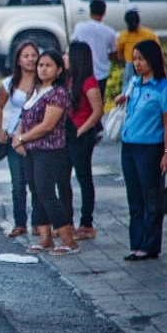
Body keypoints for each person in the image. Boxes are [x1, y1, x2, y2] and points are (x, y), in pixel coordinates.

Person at [114, 39, 167, 261]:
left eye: (141, 59)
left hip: (151, 148)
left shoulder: (164, 88)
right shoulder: (133, 83)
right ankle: (136, 242)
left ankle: (150, 245)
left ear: (153, 59)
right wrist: (121, 98)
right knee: (134, 197)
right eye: (135, 59)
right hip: (129, 145)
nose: (137, 64)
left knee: (151, 196)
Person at [12, 50, 79, 254]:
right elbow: (24, 117)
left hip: (49, 150)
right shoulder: (36, 89)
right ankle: (45, 238)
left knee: (47, 193)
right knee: (37, 194)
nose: (42, 69)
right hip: (30, 150)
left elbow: (48, 125)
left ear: (59, 70)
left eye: (48, 65)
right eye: (41, 65)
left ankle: (68, 240)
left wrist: (22, 138)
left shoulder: (58, 93)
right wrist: (19, 137)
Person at [0, 42, 39, 238]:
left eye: (33, 55)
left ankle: (39, 223)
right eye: (26, 55)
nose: (30, 59)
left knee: (37, 182)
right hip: (14, 138)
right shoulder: (9, 83)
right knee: (18, 184)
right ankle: (20, 223)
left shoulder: (43, 81)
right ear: (18, 60)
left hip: (37, 137)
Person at [65, 41, 104, 240]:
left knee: (84, 178)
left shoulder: (88, 81)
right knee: (63, 178)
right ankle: (67, 222)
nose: (64, 58)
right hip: (68, 135)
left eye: (67, 54)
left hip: (81, 136)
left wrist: (81, 130)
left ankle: (86, 223)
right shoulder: (69, 79)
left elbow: (98, 110)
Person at [70, 0, 117, 95]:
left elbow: (73, 45)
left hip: (81, 71)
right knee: (99, 100)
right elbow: (113, 53)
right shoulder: (110, 32)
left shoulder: (80, 27)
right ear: (104, 12)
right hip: (101, 73)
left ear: (90, 11)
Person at [114, 9, 159, 89]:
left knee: (129, 89)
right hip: (140, 63)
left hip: (132, 64)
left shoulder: (124, 35)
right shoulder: (149, 33)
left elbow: (119, 54)